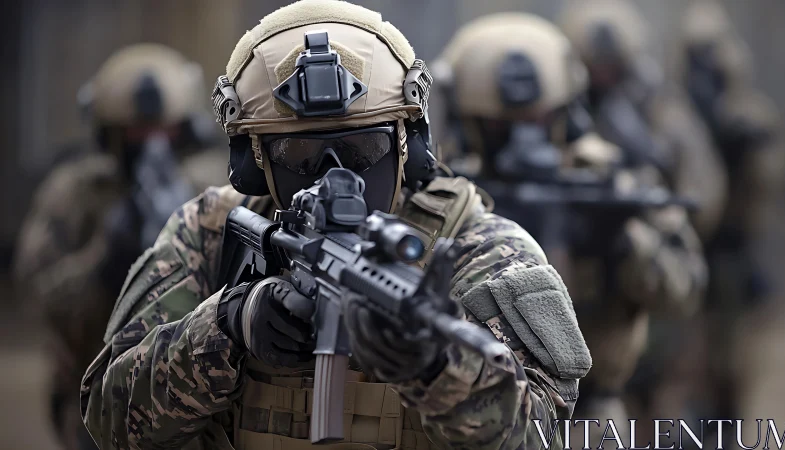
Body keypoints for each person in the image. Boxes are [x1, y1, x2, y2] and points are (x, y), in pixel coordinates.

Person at [80, 1, 592, 449]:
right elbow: (108, 421)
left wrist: (438, 365)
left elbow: (543, 435)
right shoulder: (210, 232)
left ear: (406, 145)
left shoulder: (480, 249)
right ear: (256, 161)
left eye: (364, 149)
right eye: (298, 154)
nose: (333, 177)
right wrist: (227, 327)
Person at [434, 12, 706, 448]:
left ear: (567, 113)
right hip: (467, 418)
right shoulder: (446, 192)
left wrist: (623, 246)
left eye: (538, 121)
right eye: (500, 127)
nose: (524, 142)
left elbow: (687, 286)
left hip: (592, 421)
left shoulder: (608, 178)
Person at [13, 43, 223, 450]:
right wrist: (107, 259)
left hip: (191, 394)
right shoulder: (76, 192)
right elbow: (36, 294)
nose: (152, 144)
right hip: (100, 392)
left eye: (164, 130)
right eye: (137, 133)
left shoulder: (213, 186)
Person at [675, 0, 785, 434]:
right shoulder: (677, 111)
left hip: (732, 249)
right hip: (690, 246)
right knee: (684, 355)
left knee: (731, 353)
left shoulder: (748, 114)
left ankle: (726, 421)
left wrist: (741, 147)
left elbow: (768, 183)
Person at [559, 0, 728, 242]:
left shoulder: (658, 105)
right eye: (594, 70)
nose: (603, 78)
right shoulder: (561, 109)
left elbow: (702, 193)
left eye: (612, 68)